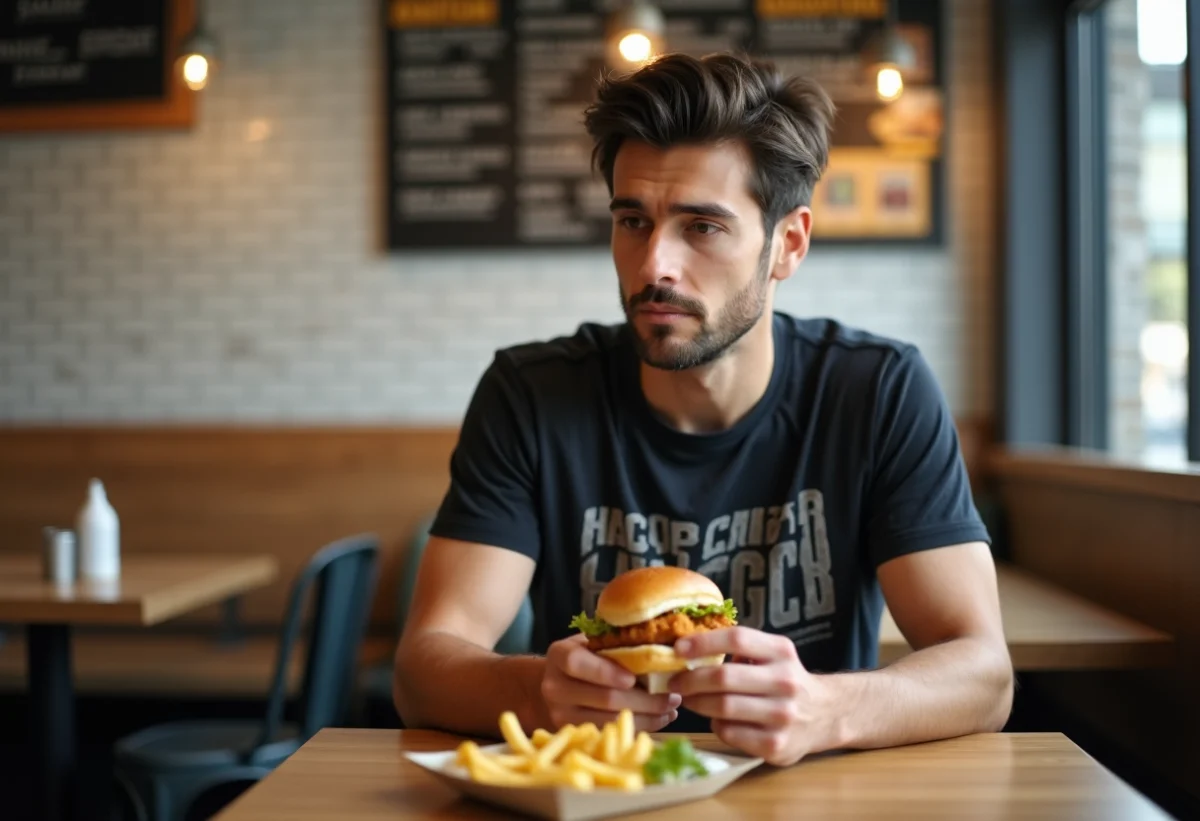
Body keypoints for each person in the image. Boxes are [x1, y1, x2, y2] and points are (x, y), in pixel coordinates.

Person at [393, 51, 1013, 767]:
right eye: (633, 221)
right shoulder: (532, 394)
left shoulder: (877, 391)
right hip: (599, 797)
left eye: (702, 227)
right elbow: (423, 665)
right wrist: (538, 691)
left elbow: (984, 674)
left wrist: (826, 708)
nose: (655, 263)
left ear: (788, 243)